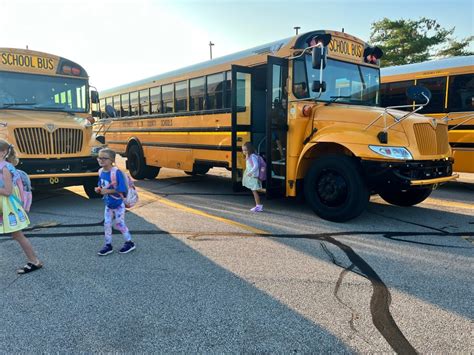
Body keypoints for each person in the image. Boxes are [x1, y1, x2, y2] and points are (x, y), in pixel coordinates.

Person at [0, 140, 42, 274]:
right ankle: (34, 260)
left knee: (18, 235)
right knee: (17, 235)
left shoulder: (5, 168)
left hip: (8, 205)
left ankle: (34, 261)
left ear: (3, 152)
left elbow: (7, 191)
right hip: (3, 204)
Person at [94, 148, 135, 255]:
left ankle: (129, 242)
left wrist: (107, 191)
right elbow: (101, 183)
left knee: (119, 224)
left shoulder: (116, 173)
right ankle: (108, 245)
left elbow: (123, 189)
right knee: (107, 224)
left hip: (118, 204)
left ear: (111, 159)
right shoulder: (101, 171)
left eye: (104, 158)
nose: (101, 160)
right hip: (108, 203)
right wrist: (98, 188)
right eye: (99, 157)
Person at [242, 142, 263, 212]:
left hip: (253, 176)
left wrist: (250, 172)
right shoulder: (249, 156)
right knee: (255, 190)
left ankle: (258, 206)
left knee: (254, 191)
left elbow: (256, 165)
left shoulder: (252, 156)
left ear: (250, 149)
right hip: (252, 176)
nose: (244, 152)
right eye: (243, 150)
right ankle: (258, 205)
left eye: (245, 150)